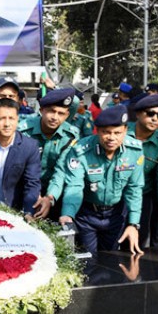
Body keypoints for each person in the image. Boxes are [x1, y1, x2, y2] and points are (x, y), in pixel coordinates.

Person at [59, 105, 144, 255]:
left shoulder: (134, 150)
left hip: (115, 215)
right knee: (88, 261)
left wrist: (133, 223)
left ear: (125, 130)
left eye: (117, 133)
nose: (111, 138)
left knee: (110, 261)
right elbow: (74, 185)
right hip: (87, 215)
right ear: (97, 130)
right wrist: (68, 214)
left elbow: (134, 189)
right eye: (106, 132)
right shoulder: (81, 150)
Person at [20, 88, 81, 220]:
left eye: (61, 113)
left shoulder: (70, 135)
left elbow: (61, 171)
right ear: (41, 110)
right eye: (51, 111)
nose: (55, 117)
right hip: (24, 188)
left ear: (67, 115)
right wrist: (32, 194)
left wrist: (49, 198)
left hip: (54, 191)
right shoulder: (24, 130)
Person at [127, 94, 158, 248]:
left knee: (136, 245)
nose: (155, 119)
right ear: (139, 113)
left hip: (142, 199)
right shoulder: (119, 133)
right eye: (150, 113)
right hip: (112, 199)